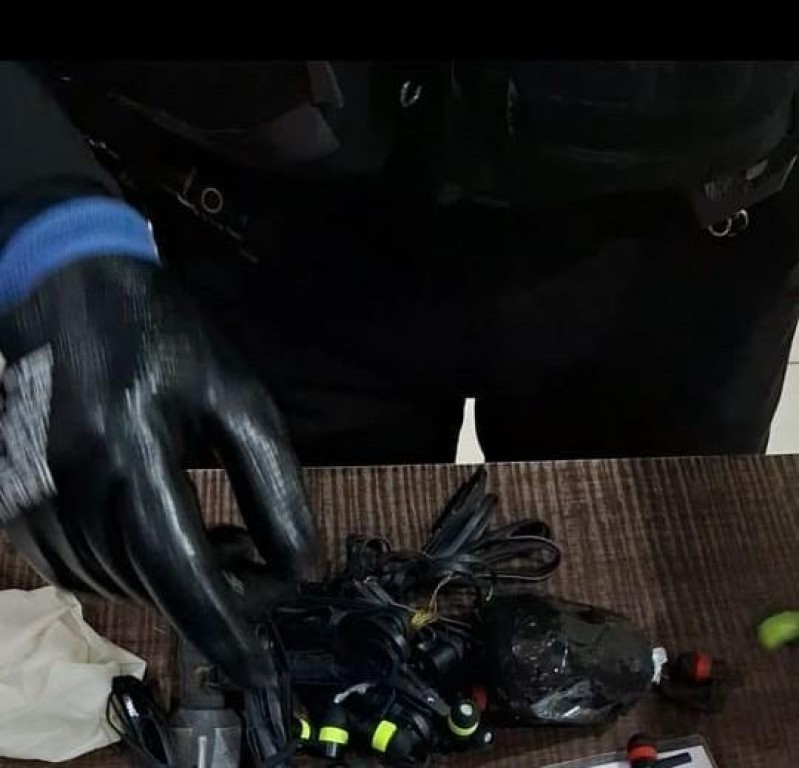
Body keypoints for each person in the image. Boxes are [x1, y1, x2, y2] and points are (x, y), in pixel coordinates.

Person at [1, 60, 798, 687]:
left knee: (676, 635)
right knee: (271, 623)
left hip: (685, 247)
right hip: (258, 226)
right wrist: (40, 221)